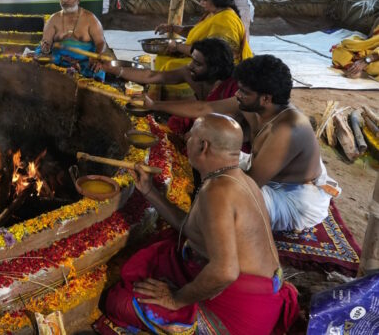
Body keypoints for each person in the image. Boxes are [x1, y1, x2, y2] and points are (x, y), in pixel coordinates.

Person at [97, 114, 298, 335]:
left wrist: (175, 299)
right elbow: (190, 227)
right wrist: (150, 192)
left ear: (203, 146)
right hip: (258, 297)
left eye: (191, 134)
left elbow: (225, 272)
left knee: (119, 302)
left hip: (240, 315)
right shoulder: (238, 179)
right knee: (163, 250)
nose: (186, 137)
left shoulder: (217, 192)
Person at [143, 55, 341, 232]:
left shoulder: (287, 129)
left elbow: (249, 186)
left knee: (223, 204)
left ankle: (194, 225)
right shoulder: (253, 104)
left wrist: (211, 183)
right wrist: (155, 106)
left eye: (244, 92)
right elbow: (206, 108)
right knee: (204, 140)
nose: (237, 95)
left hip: (294, 195)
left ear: (266, 98)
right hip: (261, 168)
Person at [104, 38, 238, 136]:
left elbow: (202, 108)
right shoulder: (190, 73)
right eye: (192, 59)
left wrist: (154, 105)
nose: (190, 65)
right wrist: (115, 70)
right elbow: (152, 76)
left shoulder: (235, 88)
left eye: (197, 64)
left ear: (214, 69)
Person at [153, 0, 252, 99]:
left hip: (217, 68)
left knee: (171, 66)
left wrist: (177, 46)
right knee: (161, 59)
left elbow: (210, 55)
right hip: (202, 57)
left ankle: (179, 101)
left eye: (204, 0)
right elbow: (198, 32)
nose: (201, 3)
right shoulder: (215, 13)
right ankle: (159, 97)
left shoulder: (225, 21)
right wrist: (173, 28)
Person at [37, 0, 108, 81]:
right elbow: (45, 42)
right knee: (38, 63)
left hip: (85, 63)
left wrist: (96, 57)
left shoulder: (90, 18)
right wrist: (46, 48)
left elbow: (101, 42)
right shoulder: (53, 19)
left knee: (98, 69)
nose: (64, 0)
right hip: (59, 62)